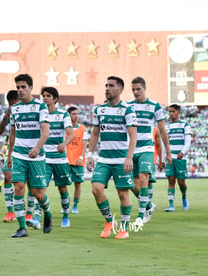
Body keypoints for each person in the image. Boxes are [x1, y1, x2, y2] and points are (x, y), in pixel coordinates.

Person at [86, 76, 137, 239]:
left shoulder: (128, 110)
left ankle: (124, 228)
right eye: (106, 85)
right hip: (104, 159)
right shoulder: (99, 110)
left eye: (111, 86)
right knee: (96, 189)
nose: (107, 88)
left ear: (120, 89)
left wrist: (129, 158)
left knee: (123, 194)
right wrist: (90, 154)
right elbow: (95, 133)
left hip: (121, 159)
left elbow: (133, 135)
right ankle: (109, 221)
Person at [7, 73, 53, 238]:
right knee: (18, 187)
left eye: (23, 87)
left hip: (36, 157)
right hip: (19, 155)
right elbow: (13, 132)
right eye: (17, 87)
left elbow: (46, 132)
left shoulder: (40, 107)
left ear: (31, 88)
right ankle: (21, 228)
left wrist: (37, 148)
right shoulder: (15, 108)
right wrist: (10, 154)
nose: (19, 90)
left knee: (37, 193)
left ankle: (47, 212)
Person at [127, 76, 172, 226]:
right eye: (133, 89)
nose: (135, 92)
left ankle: (140, 216)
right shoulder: (127, 106)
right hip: (131, 148)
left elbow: (162, 131)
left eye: (138, 89)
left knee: (143, 177)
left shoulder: (154, 106)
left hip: (146, 147)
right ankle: (148, 205)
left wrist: (167, 153)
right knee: (132, 183)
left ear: (145, 88)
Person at [41, 86, 74, 227]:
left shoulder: (63, 115)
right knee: (40, 188)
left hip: (60, 158)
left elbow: (70, 134)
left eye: (48, 96)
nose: (45, 98)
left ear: (55, 99)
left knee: (62, 189)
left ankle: (66, 216)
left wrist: (64, 144)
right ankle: (38, 216)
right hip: (44, 158)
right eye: (43, 96)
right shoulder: (40, 114)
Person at [0, 90, 19, 223]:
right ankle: (10, 212)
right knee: (7, 176)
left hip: (28, 148)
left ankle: (30, 213)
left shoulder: (30, 109)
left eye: (13, 103)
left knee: (29, 183)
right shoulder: (11, 111)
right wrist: (7, 114)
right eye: (10, 104)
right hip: (13, 148)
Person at [164, 104, 191, 212]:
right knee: (171, 181)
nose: (170, 113)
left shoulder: (185, 125)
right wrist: (164, 157)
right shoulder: (166, 126)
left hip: (180, 158)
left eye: (173, 111)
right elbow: (164, 142)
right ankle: (171, 205)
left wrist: (182, 152)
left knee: (181, 182)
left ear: (178, 112)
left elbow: (188, 141)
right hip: (170, 157)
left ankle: (184, 196)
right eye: (169, 111)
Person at [66, 106, 89, 214]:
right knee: (63, 184)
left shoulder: (83, 128)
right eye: (73, 114)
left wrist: (81, 157)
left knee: (78, 184)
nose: (76, 116)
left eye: (77, 114)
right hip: (65, 161)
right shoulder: (65, 128)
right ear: (69, 115)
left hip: (78, 161)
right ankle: (65, 204)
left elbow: (84, 144)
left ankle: (75, 205)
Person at [143, 126, 164, 223]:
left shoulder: (154, 129)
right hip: (137, 157)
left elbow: (159, 145)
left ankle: (147, 209)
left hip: (150, 158)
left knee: (148, 182)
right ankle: (149, 205)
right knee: (137, 183)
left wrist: (161, 160)